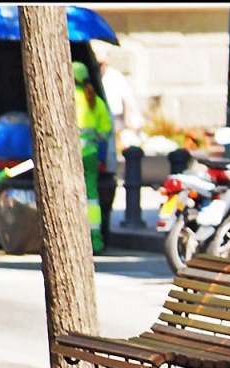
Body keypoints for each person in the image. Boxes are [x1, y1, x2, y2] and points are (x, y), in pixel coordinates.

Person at [73, 61, 113, 254]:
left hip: (71, 155)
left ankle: (74, 239)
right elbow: (106, 131)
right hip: (90, 154)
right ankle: (95, 241)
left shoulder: (68, 97)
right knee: (92, 197)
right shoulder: (95, 100)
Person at [92, 42, 143, 153]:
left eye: (104, 63)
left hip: (116, 119)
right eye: (99, 64)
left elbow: (129, 100)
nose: (102, 66)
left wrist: (135, 123)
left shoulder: (115, 76)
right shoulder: (93, 79)